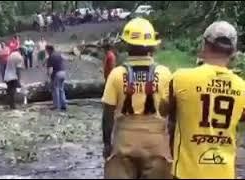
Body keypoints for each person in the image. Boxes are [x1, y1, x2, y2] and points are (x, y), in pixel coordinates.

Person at [160, 21, 245, 179]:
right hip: (224, 174)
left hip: (186, 173)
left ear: (204, 44)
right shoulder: (242, 87)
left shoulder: (180, 78)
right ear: (233, 51)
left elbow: (163, 110)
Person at [101, 17, 172, 179]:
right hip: (156, 142)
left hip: (124, 141)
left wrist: (107, 143)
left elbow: (107, 115)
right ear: (153, 46)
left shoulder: (116, 74)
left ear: (127, 45)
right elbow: (173, 113)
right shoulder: (165, 73)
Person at [46, 45, 67, 111]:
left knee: (56, 90)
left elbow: (50, 69)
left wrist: (48, 77)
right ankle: (63, 105)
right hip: (63, 72)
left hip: (57, 74)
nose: (46, 52)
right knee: (61, 89)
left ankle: (56, 106)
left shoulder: (51, 57)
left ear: (49, 50)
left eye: (47, 50)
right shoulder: (58, 54)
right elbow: (64, 59)